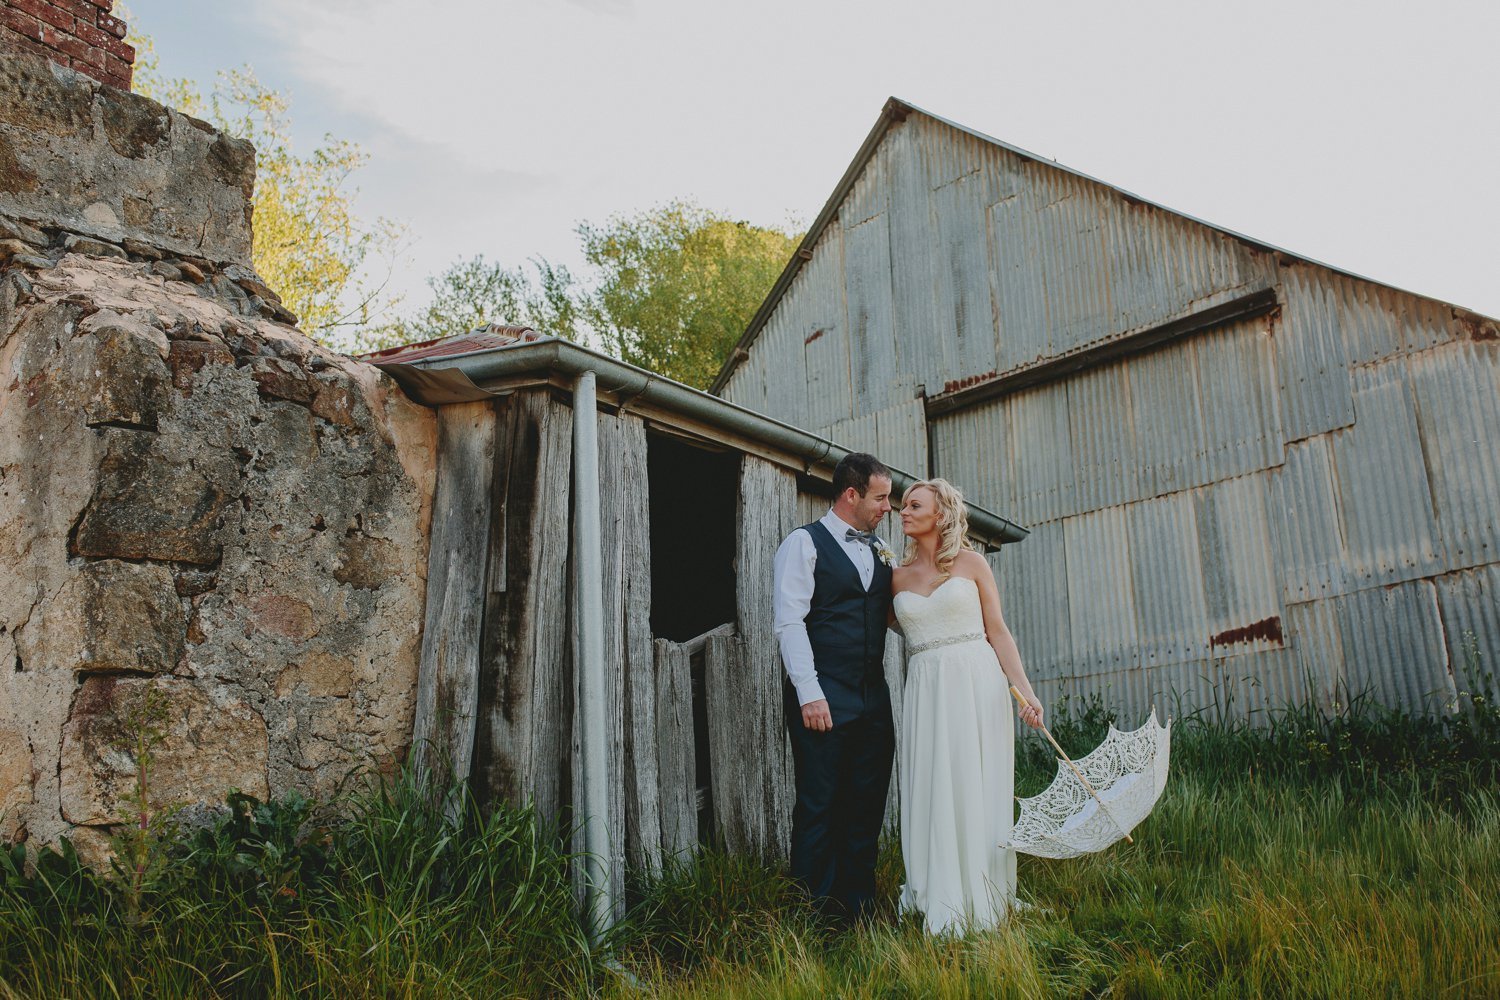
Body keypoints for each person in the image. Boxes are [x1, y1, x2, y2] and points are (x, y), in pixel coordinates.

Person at [891, 477, 1044, 935]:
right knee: (933, 779)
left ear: (940, 514)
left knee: (973, 780)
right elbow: (900, 626)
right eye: (901, 505)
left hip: (977, 683)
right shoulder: (894, 578)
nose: (904, 511)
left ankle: (983, 889)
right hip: (925, 686)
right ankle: (937, 887)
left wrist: (1026, 692)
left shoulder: (973, 564)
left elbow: (997, 630)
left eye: (914, 505)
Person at [772, 452, 896, 924]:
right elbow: (789, 623)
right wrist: (810, 692)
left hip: (873, 699)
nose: (888, 506)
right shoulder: (803, 545)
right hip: (823, 697)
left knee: (866, 803)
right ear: (851, 495)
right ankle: (813, 913)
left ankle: (858, 909)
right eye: (880, 497)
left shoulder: (882, 550)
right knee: (819, 805)